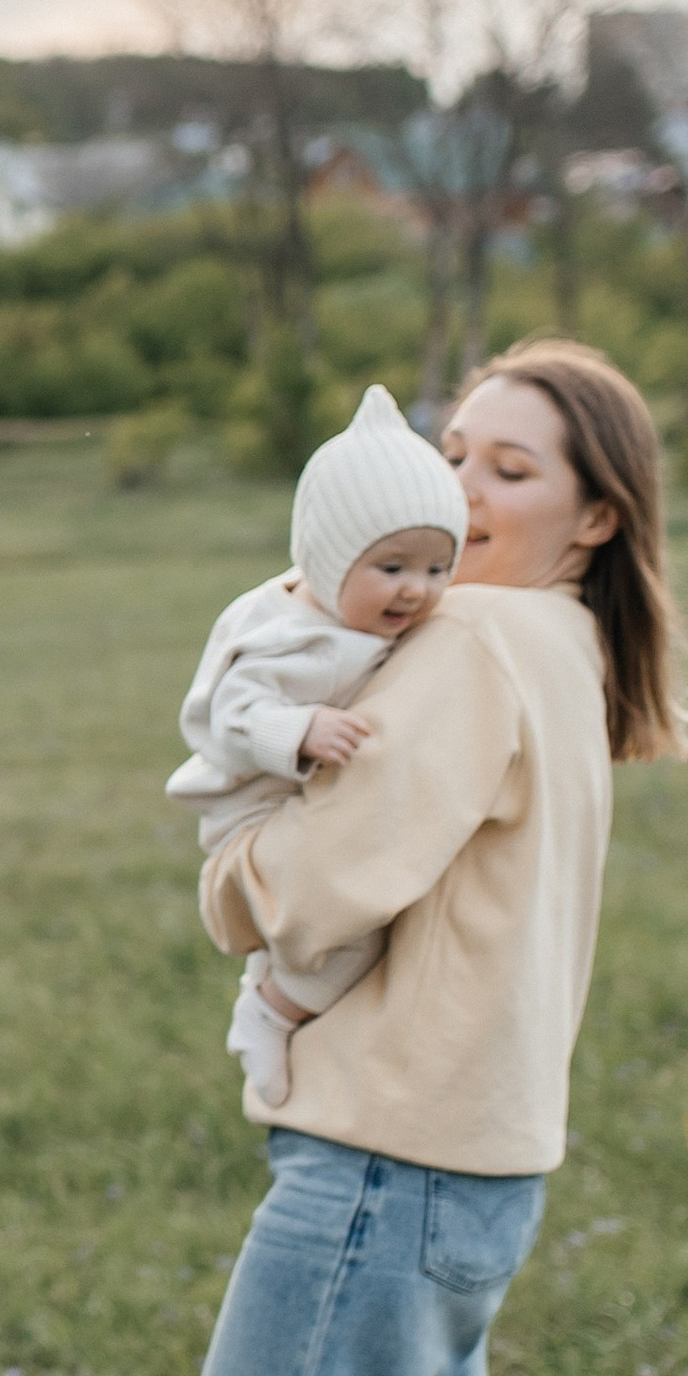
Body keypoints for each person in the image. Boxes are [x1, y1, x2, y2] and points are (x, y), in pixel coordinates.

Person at [150, 341, 688, 1376]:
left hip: (383, 1168)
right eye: (456, 453)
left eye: (512, 471)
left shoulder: (469, 643)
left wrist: (227, 869)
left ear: (597, 516)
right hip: (481, 1170)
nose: (463, 493)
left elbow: (322, 888)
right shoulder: (568, 648)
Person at [168, 384, 468, 1107]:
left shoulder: (358, 618)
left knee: (329, 924)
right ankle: (271, 1012)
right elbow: (230, 713)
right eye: (391, 568)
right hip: (251, 810)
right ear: (330, 562)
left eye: (437, 569)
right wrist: (296, 730)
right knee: (356, 931)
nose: (416, 592)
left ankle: (271, 995)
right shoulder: (290, 636)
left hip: (293, 805)